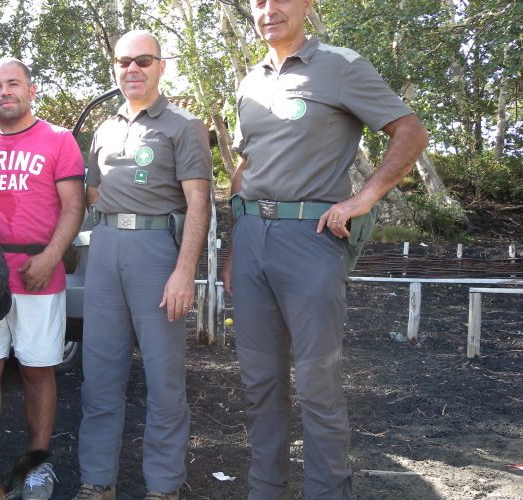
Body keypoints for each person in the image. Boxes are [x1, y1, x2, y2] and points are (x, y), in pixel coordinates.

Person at [223, 1, 429, 498]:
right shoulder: (249, 83)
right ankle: (266, 490)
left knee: (317, 385)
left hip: (310, 239)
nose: (268, 10)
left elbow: (410, 132)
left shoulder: (341, 65)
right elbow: (246, 165)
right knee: (260, 383)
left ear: (307, 6)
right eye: (258, 3)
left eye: (281, 0)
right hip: (251, 240)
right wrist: (234, 247)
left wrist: (364, 197)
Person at [75, 30, 212, 500]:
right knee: (99, 373)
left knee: (164, 376)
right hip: (106, 246)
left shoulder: (182, 125)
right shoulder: (105, 127)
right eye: (123, 61)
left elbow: (199, 204)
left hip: (157, 252)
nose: (132, 69)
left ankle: (163, 486)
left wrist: (183, 271)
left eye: (143, 61)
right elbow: (93, 192)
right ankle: (97, 483)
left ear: (161, 66)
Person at [0, 57, 85, 500]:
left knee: (39, 372)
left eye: (13, 84)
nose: (5, 92)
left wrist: (52, 256)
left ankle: (37, 467)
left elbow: (73, 207)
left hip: (39, 273)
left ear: (31, 90)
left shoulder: (58, 140)